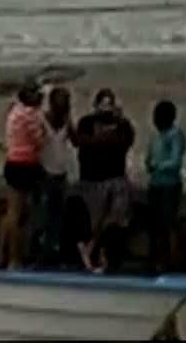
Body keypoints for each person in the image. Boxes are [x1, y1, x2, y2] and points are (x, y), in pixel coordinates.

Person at [71, 88, 135, 272]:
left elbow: (126, 141)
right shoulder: (86, 122)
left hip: (116, 178)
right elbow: (83, 142)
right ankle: (94, 251)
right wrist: (106, 139)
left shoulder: (122, 125)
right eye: (103, 103)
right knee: (96, 220)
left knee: (116, 218)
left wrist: (120, 122)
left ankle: (93, 248)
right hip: (93, 179)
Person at [0, 83, 47, 269]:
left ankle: (1, 255)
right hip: (25, 164)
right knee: (18, 214)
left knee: (10, 212)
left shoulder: (14, 112)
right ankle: (14, 258)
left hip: (12, 161)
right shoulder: (30, 115)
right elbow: (39, 140)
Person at [144, 98, 186, 270]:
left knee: (166, 223)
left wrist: (158, 166)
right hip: (155, 184)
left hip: (169, 184)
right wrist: (149, 164)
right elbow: (149, 156)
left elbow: (176, 161)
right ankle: (154, 258)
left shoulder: (176, 135)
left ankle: (167, 259)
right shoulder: (155, 136)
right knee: (153, 224)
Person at [33, 85, 74, 266]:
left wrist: (70, 123)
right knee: (44, 216)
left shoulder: (66, 121)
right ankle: (40, 253)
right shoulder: (42, 120)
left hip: (61, 173)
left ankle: (53, 252)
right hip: (45, 173)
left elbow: (76, 140)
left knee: (58, 217)